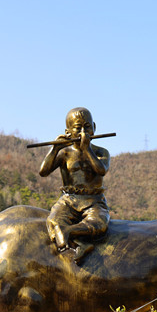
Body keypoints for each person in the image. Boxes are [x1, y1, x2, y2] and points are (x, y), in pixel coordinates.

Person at [39, 107, 110, 264]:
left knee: (100, 223)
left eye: (87, 127)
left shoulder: (101, 152)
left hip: (94, 200)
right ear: (68, 131)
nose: (83, 132)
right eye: (78, 128)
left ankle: (68, 231)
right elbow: (43, 172)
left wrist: (87, 149)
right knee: (53, 222)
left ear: (94, 128)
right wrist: (54, 149)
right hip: (68, 200)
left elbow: (101, 170)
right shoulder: (64, 153)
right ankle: (79, 244)